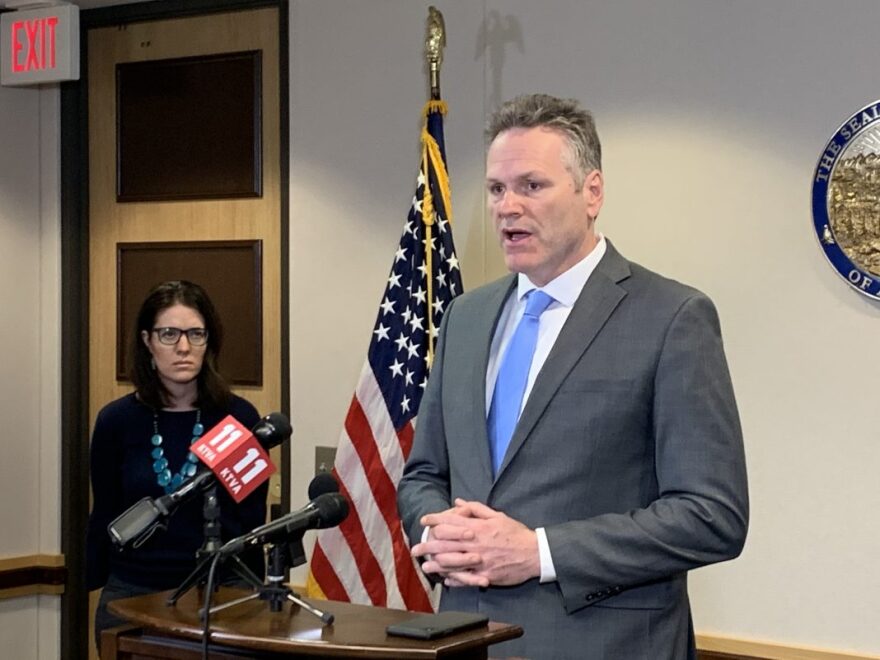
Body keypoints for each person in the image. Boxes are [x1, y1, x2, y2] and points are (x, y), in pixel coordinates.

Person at [397, 94, 748, 660]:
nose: (507, 207)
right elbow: (423, 475)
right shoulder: (466, 317)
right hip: (465, 638)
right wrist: (440, 534)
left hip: (606, 643)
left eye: (531, 186)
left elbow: (712, 516)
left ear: (592, 192)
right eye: (495, 189)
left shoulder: (672, 317)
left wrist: (539, 552)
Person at [86, 280, 268, 648]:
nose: (183, 347)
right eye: (169, 334)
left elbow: (251, 519)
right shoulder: (116, 421)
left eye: (195, 334)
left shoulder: (239, 418)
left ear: (209, 343)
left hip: (221, 595)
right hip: (134, 593)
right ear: (147, 341)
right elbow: (105, 511)